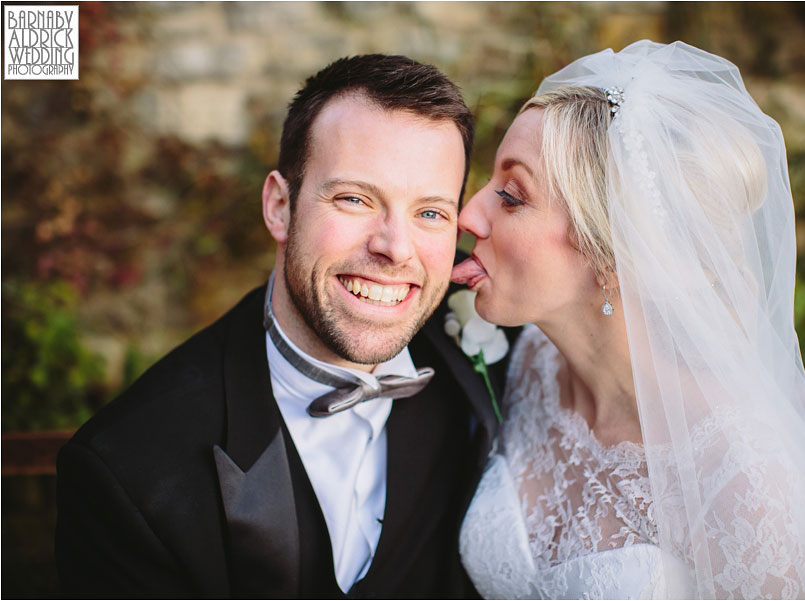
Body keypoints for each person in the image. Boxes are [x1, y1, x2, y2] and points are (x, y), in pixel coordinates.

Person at [55, 54, 512, 598]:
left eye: (430, 213)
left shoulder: (492, 339)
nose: (395, 248)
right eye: (354, 199)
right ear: (279, 206)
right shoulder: (128, 471)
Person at [454, 40, 805, 599]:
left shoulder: (743, 482)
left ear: (611, 255)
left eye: (512, 196)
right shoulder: (533, 361)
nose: (467, 213)